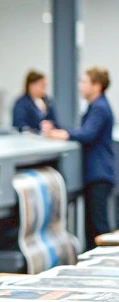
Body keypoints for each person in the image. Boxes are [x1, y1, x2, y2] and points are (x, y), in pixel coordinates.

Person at [43, 67, 116, 248]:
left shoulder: (99, 108)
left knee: (98, 226)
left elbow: (87, 134)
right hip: (96, 172)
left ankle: (103, 265)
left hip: (100, 173)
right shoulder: (96, 106)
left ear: (97, 86)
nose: (80, 86)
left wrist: (61, 134)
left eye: (84, 82)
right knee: (92, 225)